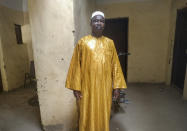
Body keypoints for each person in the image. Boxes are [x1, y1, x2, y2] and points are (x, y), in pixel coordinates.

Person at [65, 11, 127, 131]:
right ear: (91, 23)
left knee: (103, 111)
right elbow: (76, 65)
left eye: (101, 21)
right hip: (87, 86)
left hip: (105, 86)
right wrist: (75, 87)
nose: (99, 23)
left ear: (104, 24)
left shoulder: (110, 43)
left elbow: (115, 64)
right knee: (86, 112)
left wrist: (117, 86)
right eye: (96, 20)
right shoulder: (83, 42)